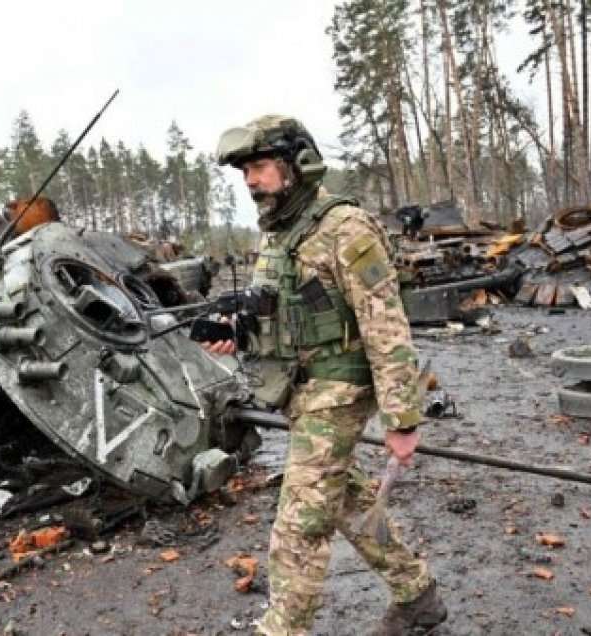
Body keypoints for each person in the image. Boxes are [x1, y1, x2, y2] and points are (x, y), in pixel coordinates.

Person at [211, 115, 447, 636]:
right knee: (344, 497)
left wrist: (403, 418)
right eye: (245, 170)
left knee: (300, 524)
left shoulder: (345, 228)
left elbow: (386, 327)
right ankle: (417, 594)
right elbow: (279, 317)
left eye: (260, 167)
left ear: (298, 166)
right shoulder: (279, 233)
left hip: (339, 388)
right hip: (301, 389)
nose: (251, 180)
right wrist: (236, 330)